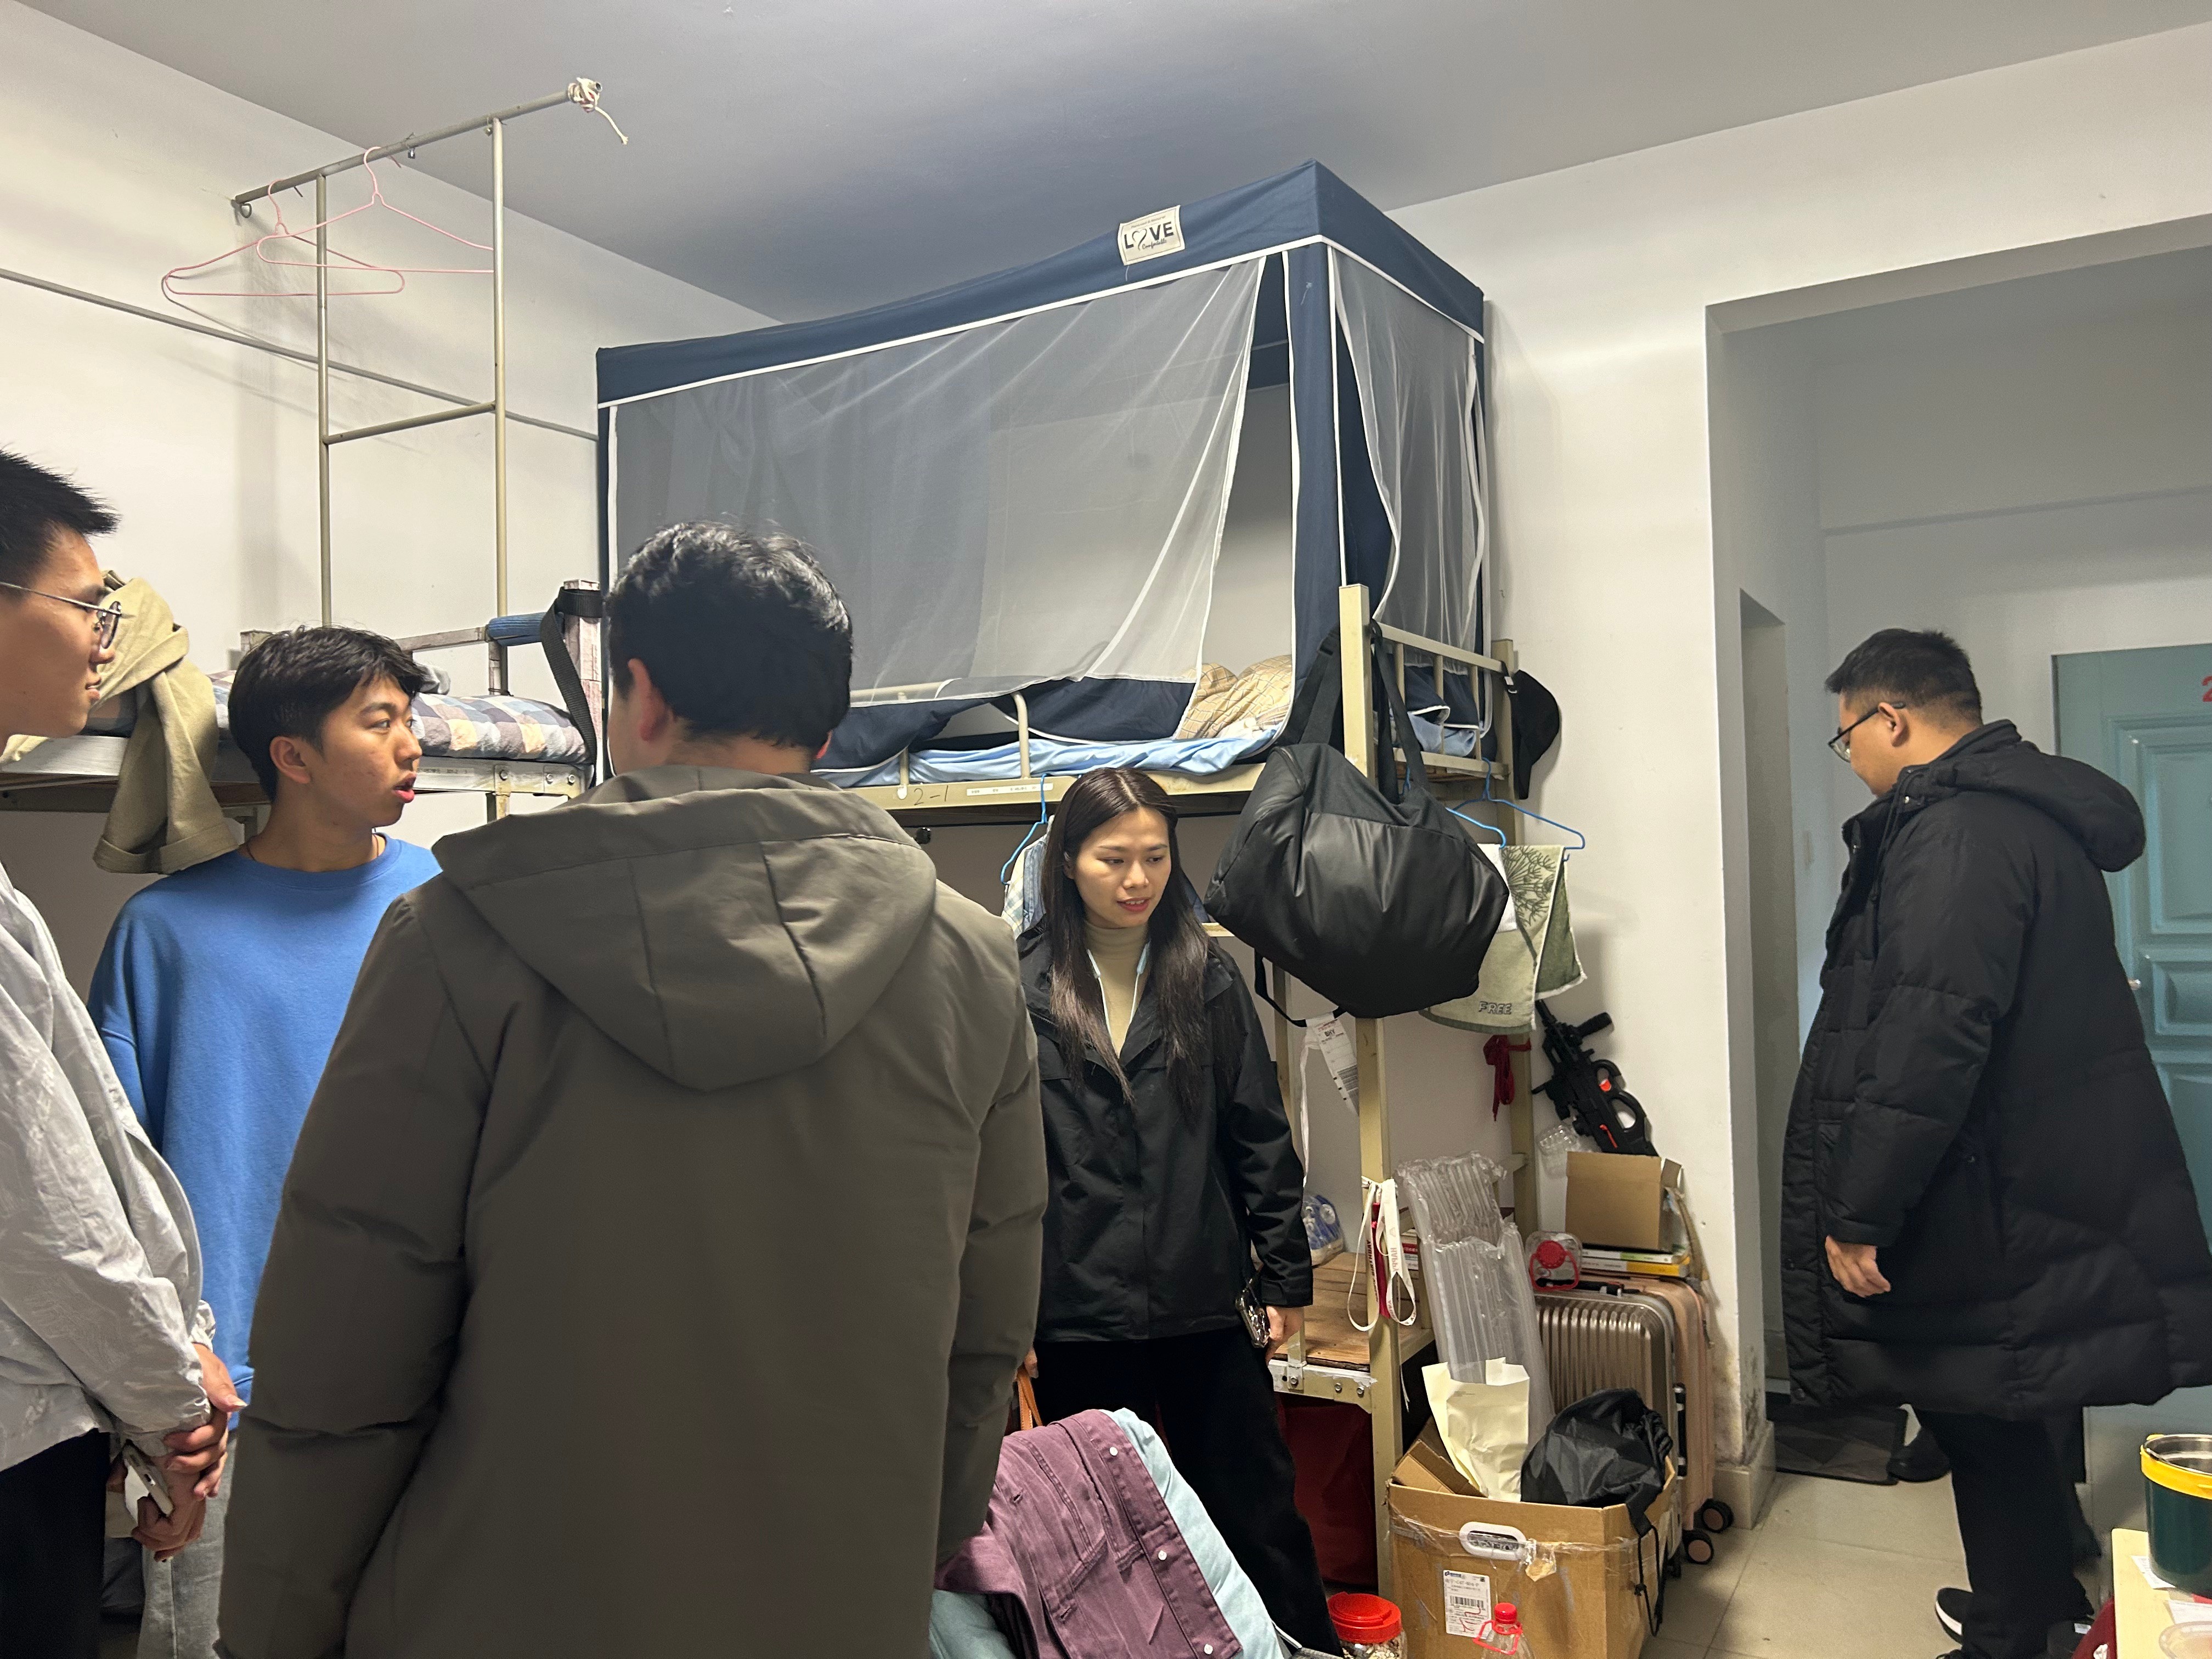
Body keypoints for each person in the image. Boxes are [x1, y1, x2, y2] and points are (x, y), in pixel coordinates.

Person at [217, 524, 1044, 1657]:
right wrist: (902, 1550)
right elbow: (984, 1333)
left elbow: (344, 1349)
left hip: (500, 1608)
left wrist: (276, 1628)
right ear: (828, 724)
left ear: (639, 694)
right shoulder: (974, 961)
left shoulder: (457, 942)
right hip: (836, 1600)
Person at [1779, 628, 2212, 1659]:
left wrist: (1861, 1211)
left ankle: (2016, 1634)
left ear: (1891, 720)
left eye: (1848, 737)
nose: (1852, 757)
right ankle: (2038, 1600)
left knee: (1980, 1414)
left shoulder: (1957, 834)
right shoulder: (2015, 815)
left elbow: (1929, 1038)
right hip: (2021, 1172)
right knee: (2009, 1398)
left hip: (1986, 1187)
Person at [88, 627, 436, 1658]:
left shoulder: (449, 909)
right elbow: (111, 1181)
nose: (412, 745)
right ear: (292, 755)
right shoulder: (165, 934)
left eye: (411, 719)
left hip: (423, 1369)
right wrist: (158, 1375)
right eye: (380, 722)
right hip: (227, 1387)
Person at [1020, 766, 1339, 1654]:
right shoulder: (1019, 983)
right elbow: (993, 1165)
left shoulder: (1208, 975)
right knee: (1094, 1542)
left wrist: (1284, 1274)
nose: (1138, 880)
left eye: (1155, 857)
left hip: (1203, 1302)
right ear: (1068, 861)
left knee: (1258, 1516)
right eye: (1113, 858)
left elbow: (1257, 1132)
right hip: (1074, 1310)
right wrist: (1005, 1314)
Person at [0, 449, 233, 1657]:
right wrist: (170, 1401)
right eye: (88, 605)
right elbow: (44, 1216)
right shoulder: (168, 925)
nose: (109, 636)